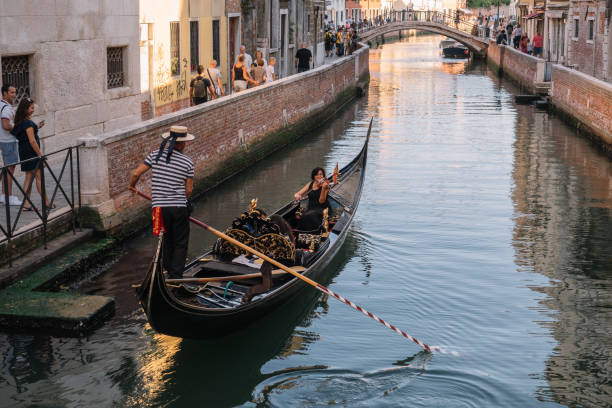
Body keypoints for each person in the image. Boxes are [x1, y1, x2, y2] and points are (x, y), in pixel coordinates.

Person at [129, 125, 195, 279]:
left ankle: (166, 270)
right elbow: (189, 190)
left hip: (159, 209)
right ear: (183, 143)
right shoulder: (187, 162)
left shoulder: (155, 155)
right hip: (178, 207)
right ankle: (175, 276)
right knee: (180, 242)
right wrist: (181, 200)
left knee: (165, 239)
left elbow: (136, 173)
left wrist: (132, 186)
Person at [10, 97, 50, 211]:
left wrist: (36, 126)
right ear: (26, 109)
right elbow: (32, 141)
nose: (33, 110)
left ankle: (26, 204)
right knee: (39, 177)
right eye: (31, 108)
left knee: (28, 177)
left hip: (24, 151)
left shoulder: (20, 122)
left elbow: (24, 134)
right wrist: (40, 155)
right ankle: (46, 203)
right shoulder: (27, 123)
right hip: (31, 152)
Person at [0, 84, 21, 206]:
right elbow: (6, 125)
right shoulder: (6, 108)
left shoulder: (1, 105)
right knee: (10, 169)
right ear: (5, 93)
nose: (14, 95)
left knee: (7, 169)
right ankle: (9, 197)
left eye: (15, 92)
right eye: (11, 92)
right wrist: (18, 127)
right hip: (8, 141)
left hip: (3, 140)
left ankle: (4, 195)